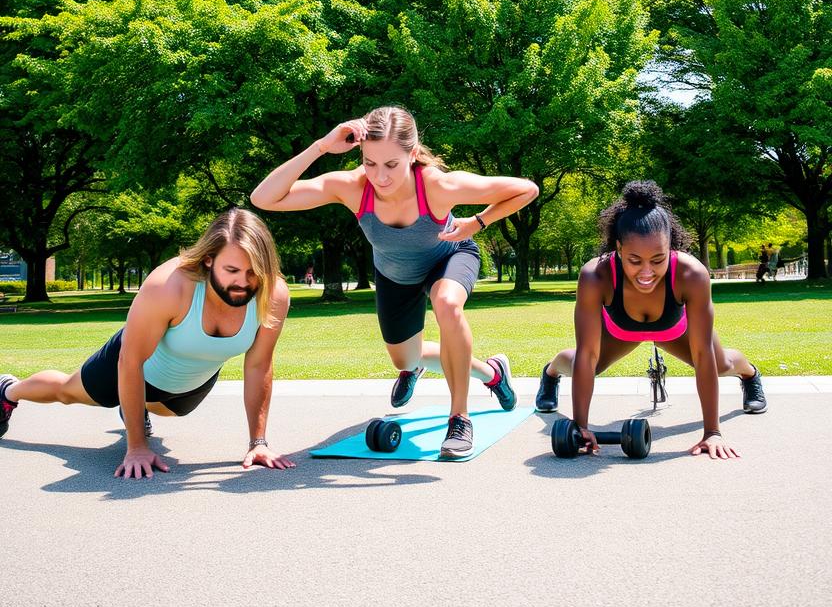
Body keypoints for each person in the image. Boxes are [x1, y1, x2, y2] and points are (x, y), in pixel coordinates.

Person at [250, 106, 538, 459]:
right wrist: (321, 147)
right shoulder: (352, 187)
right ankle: (491, 372)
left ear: (412, 154)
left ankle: (459, 417)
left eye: (391, 165)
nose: (379, 176)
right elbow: (263, 199)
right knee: (405, 359)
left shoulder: (438, 186)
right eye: (370, 163)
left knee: (447, 305)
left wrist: (477, 222)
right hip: (395, 276)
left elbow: (526, 189)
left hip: (448, 256)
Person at [0, 209, 293, 480]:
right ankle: (9, 390)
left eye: (253, 272)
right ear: (208, 260)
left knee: (170, 411)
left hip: (188, 381)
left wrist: (259, 442)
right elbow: (130, 361)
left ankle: (135, 407)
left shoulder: (274, 294)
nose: (243, 282)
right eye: (232, 271)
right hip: (131, 362)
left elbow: (258, 364)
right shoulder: (169, 286)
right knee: (66, 391)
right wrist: (137, 447)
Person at [534, 181, 767, 459]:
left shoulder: (692, 274)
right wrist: (580, 428)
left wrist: (712, 433)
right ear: (619, 249)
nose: (646, 272)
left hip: (674, 329)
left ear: (671, 248)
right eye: (634, 260)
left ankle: (750, 374)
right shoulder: (595, 276)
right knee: (584, 364)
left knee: (720, 364)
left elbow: (703, 354)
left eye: (658, 260)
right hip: (621, 330)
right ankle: (551, 373)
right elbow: (587, 352)